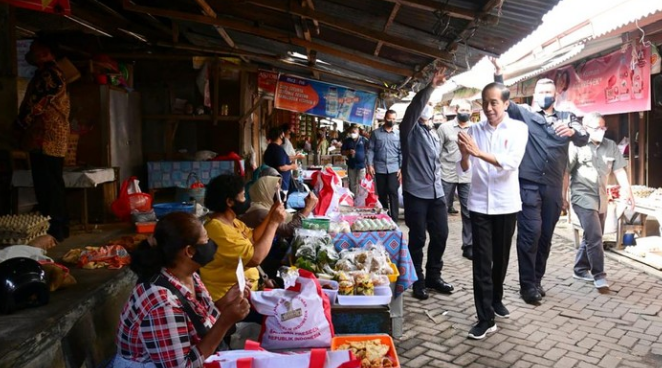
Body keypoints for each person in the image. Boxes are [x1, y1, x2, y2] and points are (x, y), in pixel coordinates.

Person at [490, 57, 589, 305]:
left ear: (555, 94)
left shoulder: (568, 116)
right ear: (534, 95)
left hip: (553, 187)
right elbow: (504, 102)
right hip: (527, 185)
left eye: (549, 91)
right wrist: (500, 75)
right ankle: (527, 286)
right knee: (530, 234)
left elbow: (585, 136)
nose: (545, 94)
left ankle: (536, 279)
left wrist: (574, 131)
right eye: (541, 91)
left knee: (545, 236)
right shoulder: (524, 115)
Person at [114, 212, 250, 368]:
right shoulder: (162, 302)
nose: (210, 243)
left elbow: (199, 321)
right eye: (206, 239)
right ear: (190, 251)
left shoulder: (186, 275)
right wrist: (226, 321)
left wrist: (226, 301)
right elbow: (182, 366)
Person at [458, 83, 529, 340]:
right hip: (478, 204)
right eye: (485, 102)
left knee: (500, 258)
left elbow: (511, 163)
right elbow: (464, 169)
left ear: (506, 104)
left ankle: (496, 298)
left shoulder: (519, 129)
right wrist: (466, 154)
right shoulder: (473, 130)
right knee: (481, 262)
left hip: (507, 204)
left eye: (494, 103)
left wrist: (478, 152)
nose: (488, 108)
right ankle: (485, 318)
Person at [564, 112, 633, 292]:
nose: (601, 131)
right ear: (586, 128)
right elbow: (566, 172)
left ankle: (579, 269)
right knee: (595, 236)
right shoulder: (576, 145)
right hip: (581, 196)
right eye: (597, 128)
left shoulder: (610, 146)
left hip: (601, 198)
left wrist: (628, 191)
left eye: (603, 128)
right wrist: (562, 196)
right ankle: (599, 275)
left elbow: (619, 171)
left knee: (592, 235)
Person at [400, 68, 453, 301]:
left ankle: (434, 276)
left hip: (436, 192)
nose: (428, 106)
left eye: (432, 103)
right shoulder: (409, 129)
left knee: (441, 235)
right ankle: (418, 280)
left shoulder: (433, 131)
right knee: (418, 238)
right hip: (416, 193)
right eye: (427, 102)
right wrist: (430, 87)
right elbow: (414, 107)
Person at [14, 37, 70, 242]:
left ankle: (55, 229)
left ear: (46, 52)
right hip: (45, 139)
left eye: (34, 49)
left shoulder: (50, 75)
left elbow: (36, 104)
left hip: (47, 138)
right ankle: (57, 227)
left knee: (49, 186)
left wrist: (19, 125)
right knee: (50, 185)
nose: (31, 52)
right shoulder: (48, 73)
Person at [200, 174, 287, 302]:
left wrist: (272, 212)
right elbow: (255, 258)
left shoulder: (232, 221)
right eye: (243, 196)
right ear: (230, 202)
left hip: (249, 292)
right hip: (229, 302)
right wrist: (274, 223)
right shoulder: (218, 230)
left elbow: (253, 238)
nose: (247, 200)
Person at [239, 175, 318, 278]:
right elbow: (288, 230)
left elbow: (289, 220)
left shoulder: (264, 207)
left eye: (280, 189)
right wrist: (307, 209)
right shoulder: (259, 213)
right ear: (265, 191)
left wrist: (306, 208)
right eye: (276, 189)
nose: (280, 192)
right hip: (263, 263)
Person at [437, 100, 474, 259]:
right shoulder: (444, 128)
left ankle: (468, 245)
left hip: (467, 175)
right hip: (447, 173)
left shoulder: (475, 129)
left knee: (468, 212)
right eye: (462, 109)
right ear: (456, 110)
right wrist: (435, 173)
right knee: (441, 210)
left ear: (471, 112)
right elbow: (436, 152)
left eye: (467, 109)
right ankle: (439, 242)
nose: (464, 112)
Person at [367, 110, 402, 222]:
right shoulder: (376, 133)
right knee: (382, 193)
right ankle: (385, 217)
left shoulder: (398, 134)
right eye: (389, 118)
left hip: (394, 168)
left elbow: (401, 152)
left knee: (393, 191)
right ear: (384, 118)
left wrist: (401, 168)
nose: (391, 121)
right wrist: (370, 164)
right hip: (379, 168)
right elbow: (370, 149)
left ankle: (395, 219)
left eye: (393, 119)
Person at [264, 127, 297, 194]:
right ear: (280, 135)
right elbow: (281, 167)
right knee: (281, 202)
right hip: (281, 185)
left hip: (273, 183)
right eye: (283, 134)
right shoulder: (277, 149)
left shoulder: (270, 148)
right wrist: (292, 166)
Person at [341, 125, 369, 195]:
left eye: (354, 131)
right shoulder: (347, 141)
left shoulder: (364, 140)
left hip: (362, 165)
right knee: (352, 183)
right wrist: (348, 152)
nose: (353, 133)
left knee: (361, 183)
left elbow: (369, 151)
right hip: (351, 165)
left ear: (358, 131)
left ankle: (361, 198)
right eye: (352, 132)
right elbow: (342, 152)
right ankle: (354, 197)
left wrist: (368, 164)